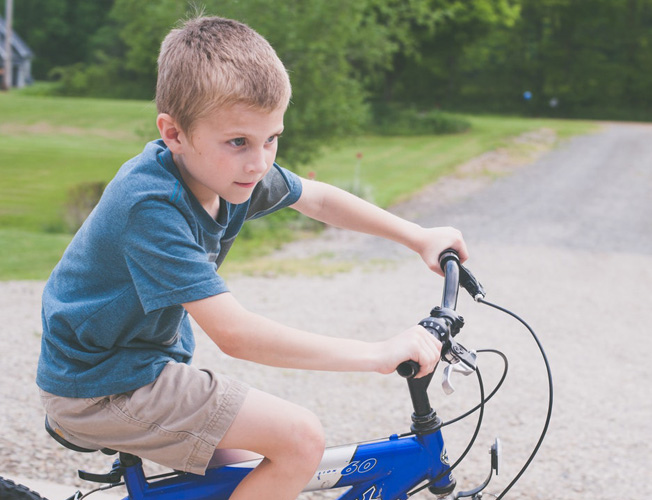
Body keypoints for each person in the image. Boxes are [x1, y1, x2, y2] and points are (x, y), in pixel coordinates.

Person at [36, 16, 467, 499]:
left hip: (141, 369)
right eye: (239, 141)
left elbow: (318, 200)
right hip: (101, 388)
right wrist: (378, 354)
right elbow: (237, 335)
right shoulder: (149, 206)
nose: (260, 162)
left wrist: (418, 236)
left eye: (272, 138)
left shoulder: (227, 175)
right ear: (174, 133)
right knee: (300, 440)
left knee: (245, 472)